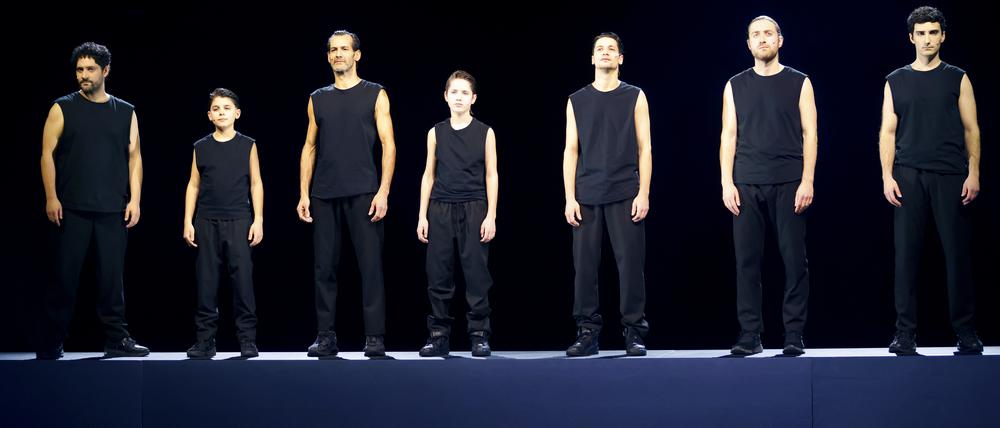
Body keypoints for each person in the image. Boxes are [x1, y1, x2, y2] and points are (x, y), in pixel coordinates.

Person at [879, 6, 983, 356]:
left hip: (951, 174)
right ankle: (904, 333)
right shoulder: (895, 80)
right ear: (911, 37)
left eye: (933, 32)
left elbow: (972, 129)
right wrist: (886, 176)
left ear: (943, 36)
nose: (927, 39)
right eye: (920, 33)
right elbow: (888, 132)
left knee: (956, 255)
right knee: (906, 256)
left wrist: (974, 172)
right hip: (908, 176)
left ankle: (966, 331)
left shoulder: (957, 77)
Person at [38, 42, 149, 359]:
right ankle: (52, 340)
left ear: (105, 71)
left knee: (112, 280)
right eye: (79, 70)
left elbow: (135, 158)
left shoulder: (126, 111)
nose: (83, 75)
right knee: (64, 277)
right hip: (71, 208)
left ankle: (116, 339)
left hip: (113, 209)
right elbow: (46, 154)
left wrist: (135, 200)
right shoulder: (63, 108)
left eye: (89, 69)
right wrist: (51, 197)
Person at [719, 15, 818, 356]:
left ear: (780, 39)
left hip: (790, 180)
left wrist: (807, 180)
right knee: (747, 262)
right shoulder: (734, 85)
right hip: (746, 181)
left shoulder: (799, 82)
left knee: (794, 261)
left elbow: (811, 134)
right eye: (756, 35)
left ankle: (793, 334)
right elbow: (728, 135)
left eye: (768, 34)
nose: (762, 39)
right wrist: (726, 182)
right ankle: (750, 334)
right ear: (748, 44)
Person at [298, 30, 396, 358]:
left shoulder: (375, 94)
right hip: (324, 193)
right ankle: (326, 336)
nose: (339, 54)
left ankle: (375, 337)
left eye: (345, 49)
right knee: (323, 268)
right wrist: (303, 193)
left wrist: (383, 191)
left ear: (357, 55)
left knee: (370, 267)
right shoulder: (317, 98)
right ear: (328, 57)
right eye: (333, 50)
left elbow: (388, 145)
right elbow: (309, 147)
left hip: (364, 192)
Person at [563, 32, 652, 357]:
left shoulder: (635, 96)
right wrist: (569, 197)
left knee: (630, 266)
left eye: (611, 49)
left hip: (625, 191)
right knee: (585, 268)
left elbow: (645, 148)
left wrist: (643, 192)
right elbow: (571, 150)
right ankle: (587, 332)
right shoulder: (577, 99)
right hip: (586, 194)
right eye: (599, 49)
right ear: (592, 58)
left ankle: (633, 332)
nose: (605, 53)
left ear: (620, 58)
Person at [416, 71, 498, 357]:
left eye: (465, 93)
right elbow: (428, 174)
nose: (459, 97)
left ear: (473, 98)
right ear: (446, 96)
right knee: (439, 275)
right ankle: (438, 335)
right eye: (454, 92)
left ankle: (479, 334)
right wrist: (422, 215)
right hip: (440, 207)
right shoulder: (435, 132)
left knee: (476, 274)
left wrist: (491, 215)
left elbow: (491, 174)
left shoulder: (485, 132)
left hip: (474, 206)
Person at [183, 88, 263, 359]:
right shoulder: (201, 146)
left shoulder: (247, 144)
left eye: (227, 108)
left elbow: (256, 183)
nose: (221, 112)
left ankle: (247, 339)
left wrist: (258, 219)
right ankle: (205, 340)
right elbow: (193, 185)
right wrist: (188, 221)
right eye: (216, 108)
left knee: (242, 282)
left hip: (239, 219)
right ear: (209, 115)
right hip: (206, 221)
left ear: (237, 113)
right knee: (206, 282)